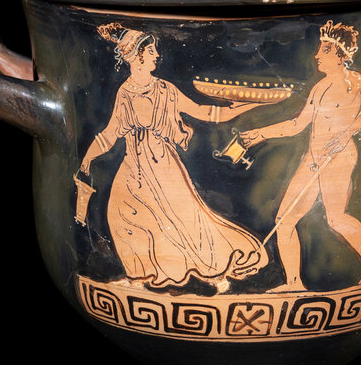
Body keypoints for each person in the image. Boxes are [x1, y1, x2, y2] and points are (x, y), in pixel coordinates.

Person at [79, 22, 266, 293]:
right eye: (151, 51)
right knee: (121, 216)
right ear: (136, 57)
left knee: (186, 219)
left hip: (163, 165)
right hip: (133, 165)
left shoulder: (164, 89)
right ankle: (138, 277)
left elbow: (203, 112)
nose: (156, 55)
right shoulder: (125, 93)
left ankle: (216, 273)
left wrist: (240, 107)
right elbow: (110, 133)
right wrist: (87, 159)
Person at [239, 20, 361, 292]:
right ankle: (294, 283)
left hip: (338, 156)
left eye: (325, 50)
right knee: (284, 220)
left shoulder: (355, 81)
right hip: (313, 158)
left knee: (335, 218)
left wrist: (347, 132)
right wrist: (261, 134)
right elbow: (297, 124)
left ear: (340, 55)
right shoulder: (319, 88)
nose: (317, 55)